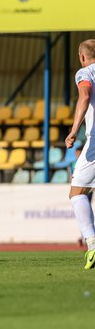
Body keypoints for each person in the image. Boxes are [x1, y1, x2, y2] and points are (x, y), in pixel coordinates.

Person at [66, 39, 95, 269]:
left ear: (82, 57)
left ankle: (93, 245)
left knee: (77, 192)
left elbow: (84, 96)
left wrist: (74, 131)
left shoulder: (84, 73)